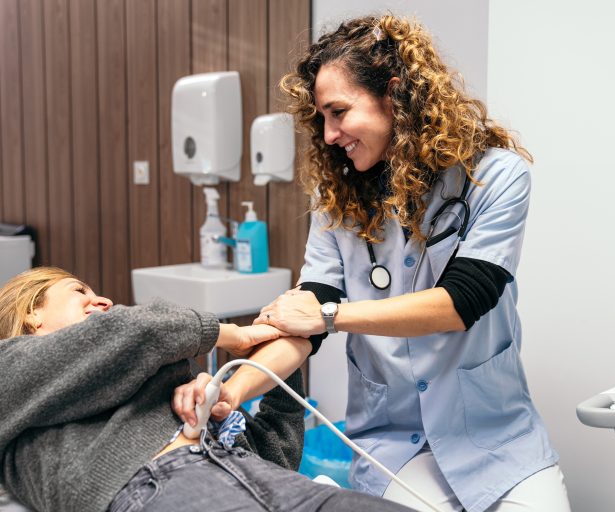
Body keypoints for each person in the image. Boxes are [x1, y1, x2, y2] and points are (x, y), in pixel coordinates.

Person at [252, 13, 572, 512]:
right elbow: (307, 316)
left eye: (338, 112)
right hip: (392, 442)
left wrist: (331, 317)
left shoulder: (495, 177)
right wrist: (229, 391)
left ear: (394, 94)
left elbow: (462, 301)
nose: (330, 134)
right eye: (322, 120)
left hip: (495, 438)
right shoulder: (335, 197)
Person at [0, 267, 413, 512]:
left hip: (251, 474)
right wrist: (233, 334)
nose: (103, 299)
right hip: (153, 485)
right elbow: (138, 329)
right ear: (32, 311)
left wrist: (269, 367)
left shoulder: (146, 377)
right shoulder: (10, 369)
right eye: (79, 291)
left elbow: (278, 455)